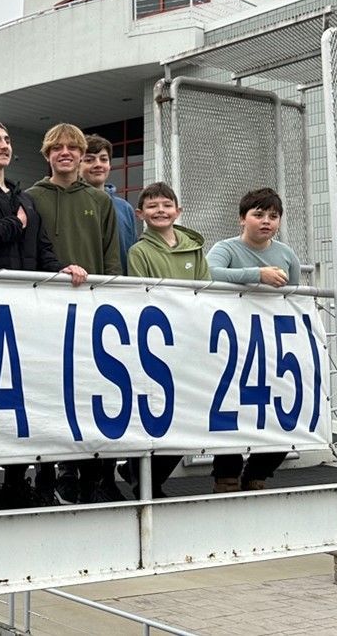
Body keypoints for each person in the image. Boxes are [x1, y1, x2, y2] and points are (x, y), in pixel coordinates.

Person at [0, 121, 71, 509]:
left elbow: (42, 247)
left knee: (28, 395)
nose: (4, 145)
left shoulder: (25, 198)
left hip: (29, 314)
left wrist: (61, 270)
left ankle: (21, 479)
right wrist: (15, 223)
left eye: (7, 139)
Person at [25, 124, 121, 505]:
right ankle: (55, 472)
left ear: (81, 155)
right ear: (47, 154)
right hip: (47, 312)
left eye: (72, 148)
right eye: (57, 148)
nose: (65, 153)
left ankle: (97, 475)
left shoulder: (100, 201)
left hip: (92, 310)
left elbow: (111, 255)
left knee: (91, 388)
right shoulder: (31, 197)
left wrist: (111, 296)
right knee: (51, 390)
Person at [205, 187, 301, 493]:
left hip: (272, 346)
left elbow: (296, 297)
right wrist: (257, 275)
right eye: (258, 214)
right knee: (230, 407)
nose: (266, 221)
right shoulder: (226, 248)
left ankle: (259, 471)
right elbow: (208, 274)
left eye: (273, 216)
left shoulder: (287, 254)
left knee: (284, 405)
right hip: (230, 344)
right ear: (242, 219)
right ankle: (226, 475)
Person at [125, 182, 210, 499]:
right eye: (152, 206)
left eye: (166, 205)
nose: (160, 210)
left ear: (178, 211)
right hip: (155, 342)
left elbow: (206, 290)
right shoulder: (139, 252)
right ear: (140, 214)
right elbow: (141, 294)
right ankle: (144, 481)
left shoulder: (195, 250)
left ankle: (148, 474)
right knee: (154, 411)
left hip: (190, 343)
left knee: (189, 414)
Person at [81, 134, 138, 275]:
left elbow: (131, 252)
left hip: (119, 284)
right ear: (77, 164)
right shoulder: (70, 203)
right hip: (82, 284)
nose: (98, 164)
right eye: (89, 160)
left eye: (103, 159)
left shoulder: (125, 208)